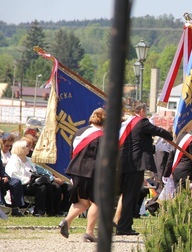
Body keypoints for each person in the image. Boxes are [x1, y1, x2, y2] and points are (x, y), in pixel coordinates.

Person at [117, 101, 173, 236]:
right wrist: (171, 136)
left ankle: (122, 225)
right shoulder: (142, 122)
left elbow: (138, 143)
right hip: (135, 165)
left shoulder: (127, 123)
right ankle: (124, 227)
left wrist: (154, 148)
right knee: (131, 196)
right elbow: (159, 131)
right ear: (141, 111)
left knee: (126, 195)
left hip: (123, 163)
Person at [59, 108, 106, 242]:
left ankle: (66, 222)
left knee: (82, 202)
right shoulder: (101, 137)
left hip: (75, 170)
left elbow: (72, 152)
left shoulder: (79, 132)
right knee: (97, 202)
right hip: (91, 172)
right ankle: (89, 232)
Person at [5, 140, 54, 216]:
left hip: (32, 183)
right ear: (20, 148)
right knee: (41, 188)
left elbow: (36, 171)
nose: (29, 148)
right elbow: (13, 175)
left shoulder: (29, 160)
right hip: (21, 185)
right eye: (26, 146)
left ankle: (51, 211)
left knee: (48, 186)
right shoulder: (14, 160)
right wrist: (28, 179)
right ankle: (38, 212)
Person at [164, 121, 192, 190]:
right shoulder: (190, 139)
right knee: (183, 195)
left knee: (177, 195)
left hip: (176, 170)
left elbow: (171, 157)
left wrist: (166, 173)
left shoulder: (177, 137)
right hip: (185, 171)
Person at [0, 151, 24, 216]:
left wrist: (5, 176)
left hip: (2, 179)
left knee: (16, 182)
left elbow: (1, 169)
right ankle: (1, 204)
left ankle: (15, 208)